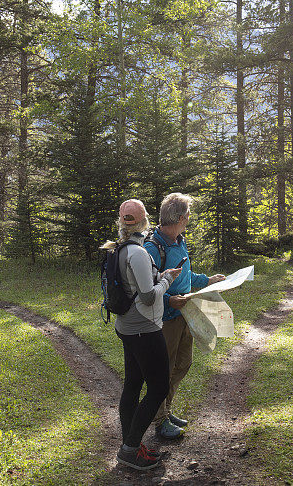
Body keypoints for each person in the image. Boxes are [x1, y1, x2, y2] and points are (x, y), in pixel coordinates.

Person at [102, 199, 183, 471]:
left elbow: (140, 282)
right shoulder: (136, 252)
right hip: (144, 328)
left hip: (126, 326)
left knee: (133, 385)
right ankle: (130, 449)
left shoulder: (119, 247)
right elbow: (148, 296)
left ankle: (130, 445)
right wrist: (168, 280)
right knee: (158, 387)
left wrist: (161, 274)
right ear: (144, 220)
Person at [145, 193, 225, 440]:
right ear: (180, 217)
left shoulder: (180, 240)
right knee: (163, 370)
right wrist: (169, 300)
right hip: (164, 318)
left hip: (185, 313)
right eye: (188, 215)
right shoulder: (152, 247)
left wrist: (206, 281)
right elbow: (146, 290)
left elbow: (185, 276)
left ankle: (166, 411)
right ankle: (159, 421)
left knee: (184, 363)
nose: (189, 218)